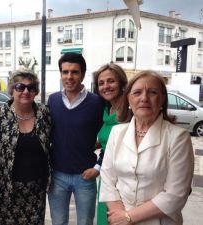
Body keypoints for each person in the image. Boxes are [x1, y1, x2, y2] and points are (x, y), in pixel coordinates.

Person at [100, 70, 194, 225]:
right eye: (137, 93)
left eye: (152, 92)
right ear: (129, 99)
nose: (144, 98)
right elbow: (107, 179)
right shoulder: (117, 132)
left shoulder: (178, 137)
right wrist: (119, 216)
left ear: (162, 99)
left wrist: (128, 217)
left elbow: (176, 194)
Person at [0, 69, 51, 225]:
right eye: (20, 87)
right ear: (11, 90)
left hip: (36, 191)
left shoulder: (44, 114)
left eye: (31, 88)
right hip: (6, 191)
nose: (26, 91)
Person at [48, 52, 105, 225]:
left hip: (85, 176)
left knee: (85, 222)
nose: (69, 76)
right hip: (57, 175)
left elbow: (110, 139)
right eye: (65, 72)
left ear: (83, 74)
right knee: (58, 222)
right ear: (60, 74)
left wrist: (98, 166)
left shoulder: (97, 103)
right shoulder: (53, 100)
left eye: (74, 72)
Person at [93, 63, 128, 225]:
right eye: (101, 83)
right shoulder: (107, 110)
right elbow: (104, 141)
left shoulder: (131, 110)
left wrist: (96, 168)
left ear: (121, 83)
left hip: (125, 181)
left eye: (111, 81)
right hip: (107, 180)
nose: (106, 86)